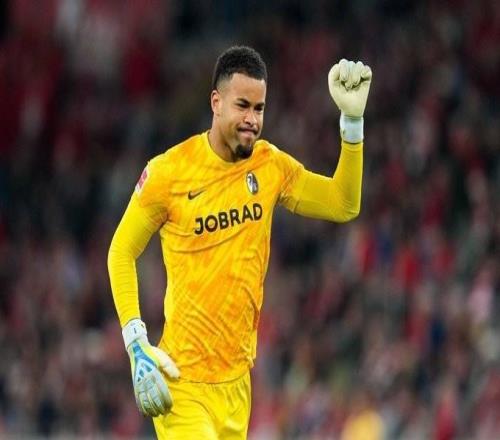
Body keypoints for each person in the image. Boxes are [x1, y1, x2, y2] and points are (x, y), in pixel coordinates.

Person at [108, 45, 372, 439]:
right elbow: (121, 251)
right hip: (183, 383)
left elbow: (343, 203)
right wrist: (135, 343)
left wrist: (352, 123)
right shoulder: (168, 173)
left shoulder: (270, 166)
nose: (252, 119)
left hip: (237, 388)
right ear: (216, 102)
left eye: (259, 108)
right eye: (242, 106)